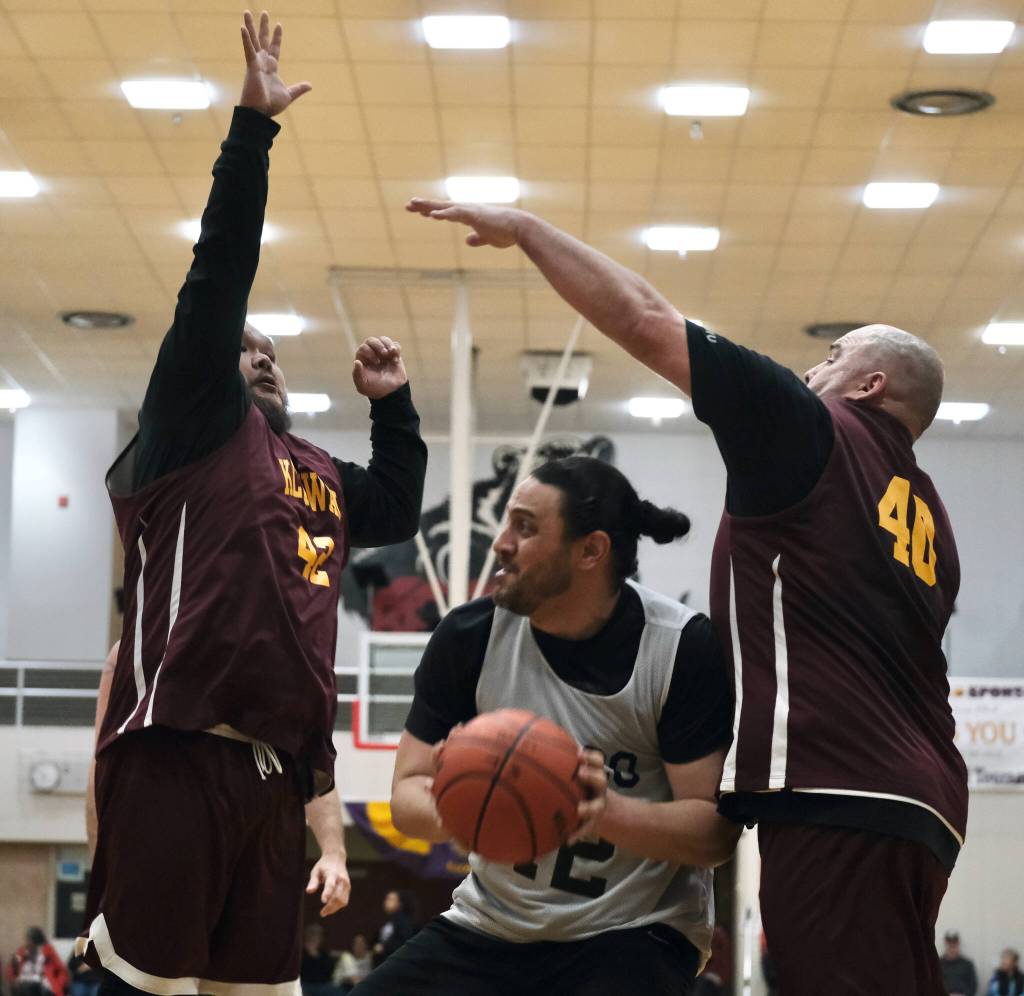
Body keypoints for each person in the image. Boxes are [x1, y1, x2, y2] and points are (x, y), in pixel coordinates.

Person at [408, 197, 968, 996]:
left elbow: (644, 317)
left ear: (870, 386)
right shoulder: (931, 520)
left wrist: (529, 231)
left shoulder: (812, 427)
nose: (814, 368)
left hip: (841, 791)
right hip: (926, 801)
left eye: (835, 355)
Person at [77, 12, 426, 996]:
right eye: (247, 346)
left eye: (274, 350)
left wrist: (394, 409)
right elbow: (215, 280)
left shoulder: (310, 465)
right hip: (179, 750)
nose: (263, 353)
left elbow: (395, 505)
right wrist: (251, 131)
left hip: (279, 777)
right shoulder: (192, 427)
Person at [353, 456, 738, 996]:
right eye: (506, 522)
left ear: (590, 550)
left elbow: (714, 833)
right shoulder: (468, 637)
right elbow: (407, 797)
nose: (500, 543)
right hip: (490, 926)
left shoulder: (679, 649)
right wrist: (478, 805)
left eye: (525, 527)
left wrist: (601, 812)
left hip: (632, 933)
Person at [7, 928, 68, 996]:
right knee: (27, 988)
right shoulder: (21, 951)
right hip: (25, 982)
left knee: (42, 990)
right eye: (26, 940)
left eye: (29, 940)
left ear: (36, 941)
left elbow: (62, 970)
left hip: (42, 983)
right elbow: (12, 967)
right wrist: (13, 980)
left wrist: (59, 984)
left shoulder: (48, 951)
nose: (26, 942)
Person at [372, 891, 418, 966]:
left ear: (399, 904)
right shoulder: (390, 920)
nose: (386, 902)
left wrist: (384, 947)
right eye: (386, 899)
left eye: (390, 899)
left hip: (396, 963)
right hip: (385, 962)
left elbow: (404, 941)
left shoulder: (403, 921)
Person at [299, 925, 338, 996]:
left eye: (317, 935)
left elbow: (329, 972)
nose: (314, 938)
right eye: (312, 934)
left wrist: (315, 955)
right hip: (305, 984)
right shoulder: (300, 953)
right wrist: (310, 954)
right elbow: (300, 972)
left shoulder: (324, 954)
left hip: (323, 985)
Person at [942, 931, 978, 996]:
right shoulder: (937, 964)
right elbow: (933, 985)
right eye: (950, 945)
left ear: (958, 944)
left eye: (954, 944)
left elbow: (973, 986)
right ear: (946, 944)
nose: (952, 948)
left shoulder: (967, 964)